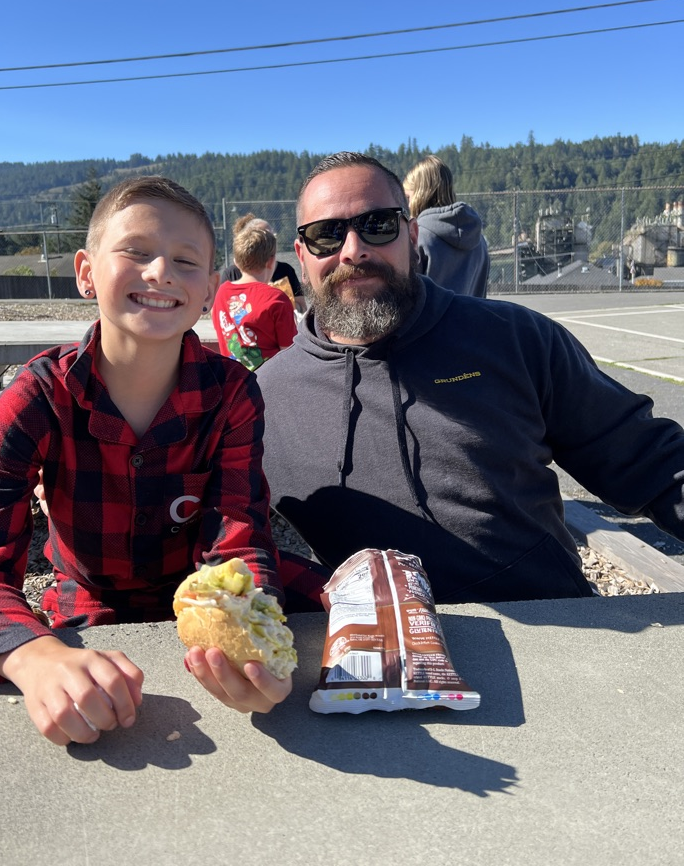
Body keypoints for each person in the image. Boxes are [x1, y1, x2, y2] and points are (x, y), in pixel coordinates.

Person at [0, 175, 297, 746]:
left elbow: (238, 537)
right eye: (136, 251)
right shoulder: (38, 396)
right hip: (90, 599)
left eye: (186, 260)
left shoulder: (233, 393)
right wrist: (36, 657)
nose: (161, 272)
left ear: (209, 291)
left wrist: (257, 632)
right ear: (86, 272)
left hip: (198, 594)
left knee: (342, 612)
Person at [255, 152, 684, 604]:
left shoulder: (516, 339)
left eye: (378, 224)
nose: (353, 250)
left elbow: (652, 463)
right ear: (301, 256)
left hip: (557, 643)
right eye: (327, 234)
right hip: (369, 658)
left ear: (412, 235)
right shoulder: (264, 397)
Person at [211, 221, 297, 370]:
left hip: (232, 381)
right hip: (269, 383)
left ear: (236, 262)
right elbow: (289, 353)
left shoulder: (221, 293)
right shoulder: (276, 298)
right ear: (271, 262)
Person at [402, 154, 490, 297]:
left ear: (419, 194)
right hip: (473, 319)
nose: (408, 204)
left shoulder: (418, 238)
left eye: (408, 197)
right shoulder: (480, 240)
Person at [221, 212, 307, 312]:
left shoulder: (285, 270)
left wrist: (284, 301)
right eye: (264, 238)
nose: (270, 242)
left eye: (272, 237)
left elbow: (302, 307)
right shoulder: (232, 274)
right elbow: (222, 311)